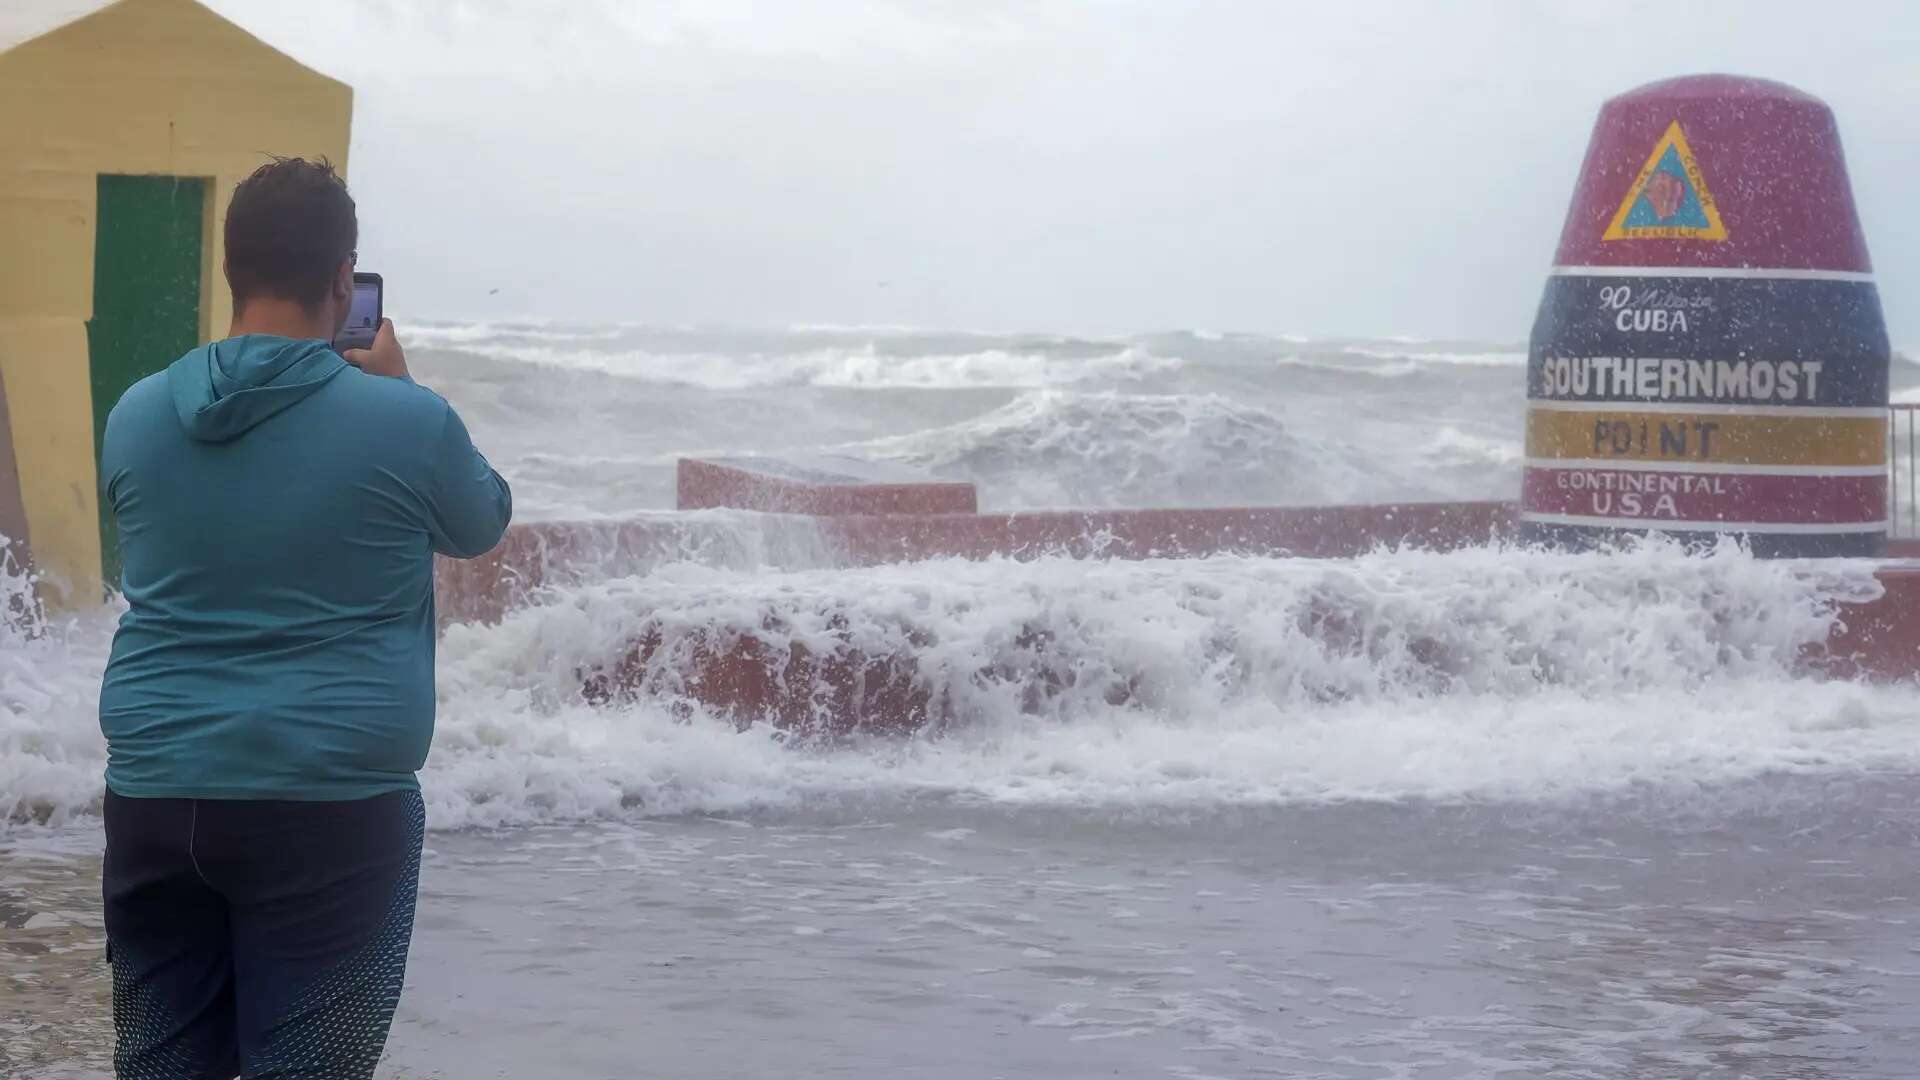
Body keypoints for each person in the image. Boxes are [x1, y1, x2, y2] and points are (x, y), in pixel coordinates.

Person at [95, 157, 512, 1079]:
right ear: (341, 280)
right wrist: (404, 391)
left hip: (156, 793)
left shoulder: (133, 414)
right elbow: (481, 523)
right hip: (331, 805)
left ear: (229, 273)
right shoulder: (404, 422)